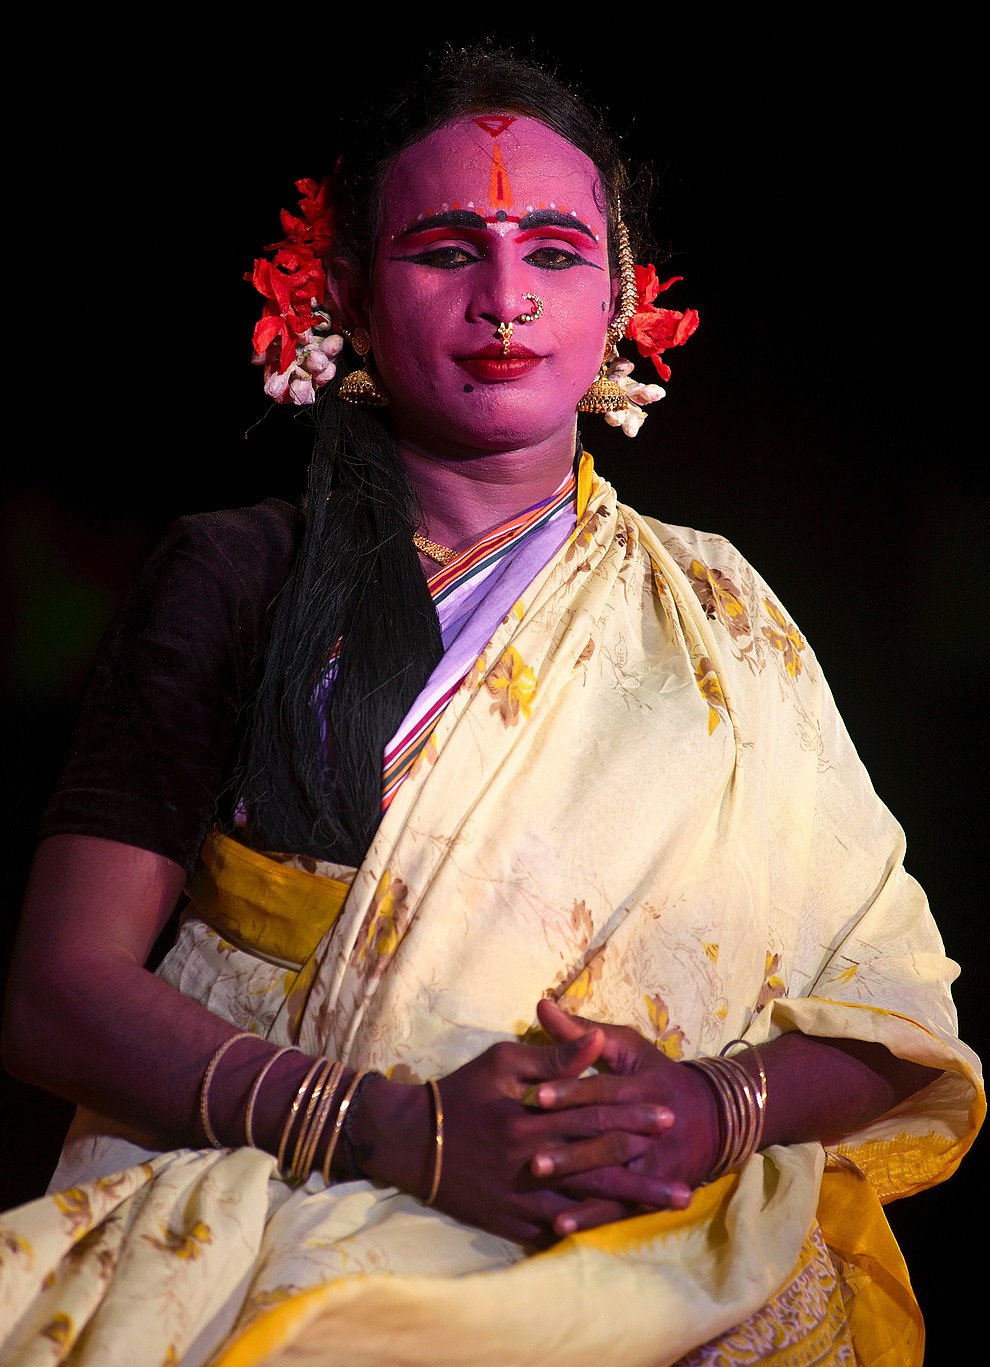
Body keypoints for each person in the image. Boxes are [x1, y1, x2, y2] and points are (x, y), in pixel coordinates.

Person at [0, 44, 983, 1367]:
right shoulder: (242, 572)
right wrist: (394, 1133)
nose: (507, 298)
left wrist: (707, 1110)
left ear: (621, 297)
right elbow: (59, 994)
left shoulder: (718, 613)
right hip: (289, 1224)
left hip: (663, 1255)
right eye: (448, 249)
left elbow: (889, 1007)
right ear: (345, 288)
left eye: (557, 253)